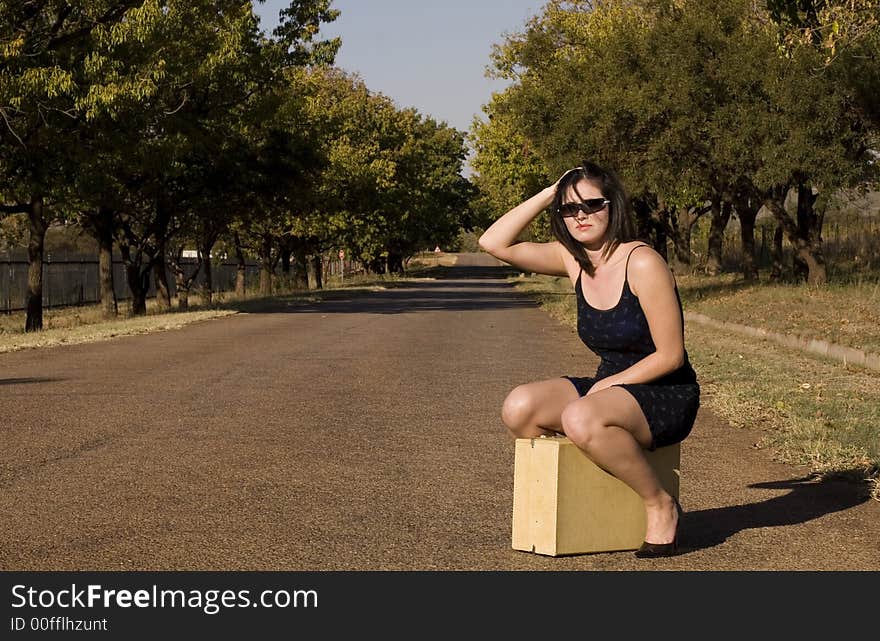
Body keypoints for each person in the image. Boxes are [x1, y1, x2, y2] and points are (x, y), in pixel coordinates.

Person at [478, 161, 700, 558]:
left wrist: (607, 387)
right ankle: (585, 502)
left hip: (663, 391)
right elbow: (494, 243)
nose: (580, 215)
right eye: (568, 208)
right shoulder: (573, 259)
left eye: (591, 204)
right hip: (609, 387)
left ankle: (659, 504)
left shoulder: (642, 262)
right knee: (519, 407)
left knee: (580, 416)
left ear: (613, 204)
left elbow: (671, 355)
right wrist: (552, 190)